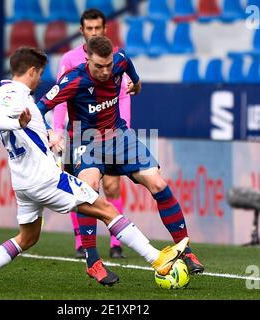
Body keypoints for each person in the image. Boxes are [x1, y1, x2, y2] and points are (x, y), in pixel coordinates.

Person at [0, 46, 190, 292]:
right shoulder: (16, 94)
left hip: (23, 183)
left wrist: (46, 132)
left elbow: (19, 126)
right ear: (33, 71)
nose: (40, 81)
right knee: (108, 210)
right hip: (46, 179)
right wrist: (17, 122)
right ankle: (158, 260)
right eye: (40, 74)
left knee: (27, 238)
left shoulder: (4, 92)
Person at [37, 36, 204, 287]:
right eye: (98, 66)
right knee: (88, 190)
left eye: (108, 65)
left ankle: (186, 249)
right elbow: (40, 107)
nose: (105, 71)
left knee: (158, 183)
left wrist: (136, 85)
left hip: (119, 136)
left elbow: (133, 76)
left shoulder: (120, 60)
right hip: (85, 141)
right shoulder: (73, 79)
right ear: (88, 60)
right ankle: (92, 261)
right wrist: (51, 132)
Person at [53, 9, 130, 260]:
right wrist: (56, 131)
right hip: (79, 133)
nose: (94, 32)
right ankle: (82, 243)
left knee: (112, 185)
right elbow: (60, 99)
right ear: (82, 31)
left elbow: (123, 95)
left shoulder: (115, 58)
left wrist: (124, 127)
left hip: (110, 131)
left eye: (98, 28)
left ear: (105, 30)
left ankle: (116, 243)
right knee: (83, 187)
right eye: (90, 28)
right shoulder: (69, 59)